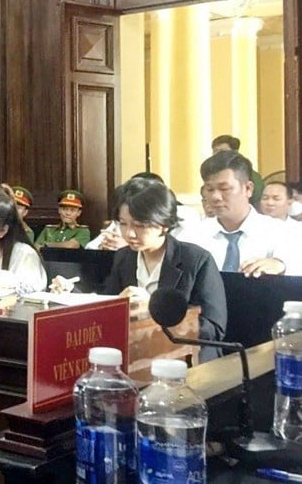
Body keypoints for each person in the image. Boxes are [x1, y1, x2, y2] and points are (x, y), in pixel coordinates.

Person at [87, 178, 226, 359]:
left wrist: (152, 309)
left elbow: (213, 329)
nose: (129, 233)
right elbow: (108, 307)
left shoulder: (196, 260)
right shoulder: (124, 257)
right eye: (123, 223)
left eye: (140, 225)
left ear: (164, 224)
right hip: (139, 354)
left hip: (187, 359)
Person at [178, 150, 297, 277]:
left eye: (225, 189)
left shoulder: (281, 233)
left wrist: (280, 265)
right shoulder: (190, 237)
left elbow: (294, 263)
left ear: (248, 189)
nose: (215, 197)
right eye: (210, 189)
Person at [212, 134, 264, 207]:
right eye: (215, 151)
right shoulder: (213, 173)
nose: (218, 155)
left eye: (222, 151)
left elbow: (258, 200)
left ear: (235, 152)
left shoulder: (250, 175)